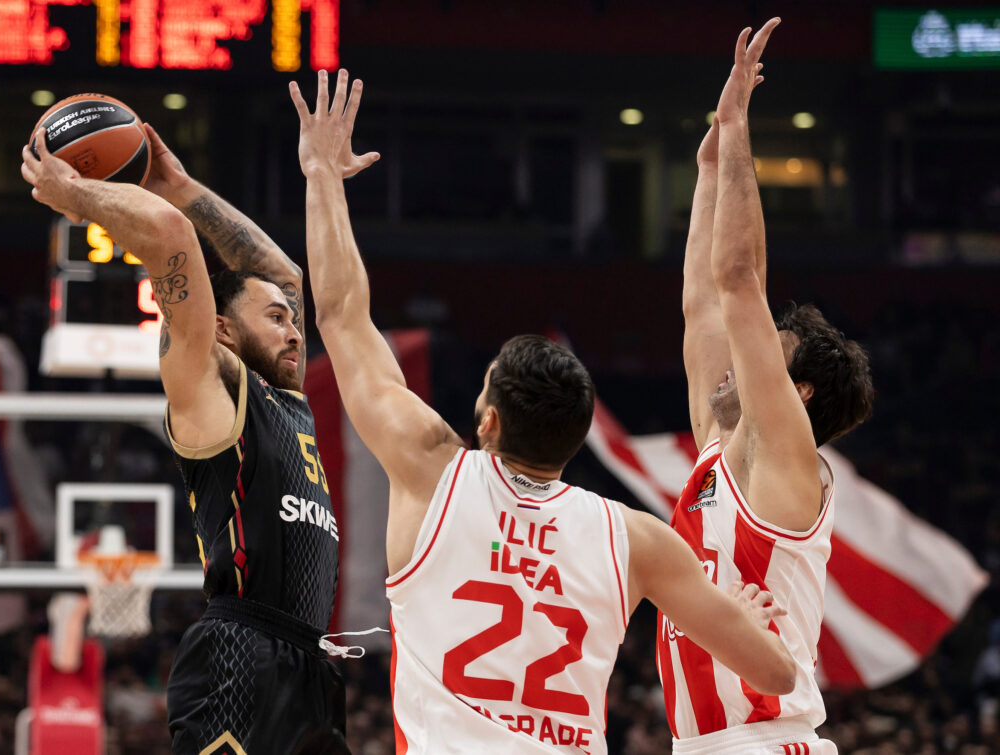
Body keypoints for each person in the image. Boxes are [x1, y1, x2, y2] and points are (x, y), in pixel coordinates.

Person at [289, 68, 796, 754]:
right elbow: (774, 671)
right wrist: (743, 618)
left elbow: (342, 316)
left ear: (489, 419)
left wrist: (322, 173)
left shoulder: (432, 468)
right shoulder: (635, 538)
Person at [21, 122, 371, 753]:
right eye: (275, 319)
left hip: (309, 664)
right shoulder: (211, 385)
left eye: (293, 321)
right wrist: (73, 194)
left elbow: (282, 273)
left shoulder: (286, 399)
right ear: (223, 331)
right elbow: (170, 239)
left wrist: (179, 186)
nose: (295, 331)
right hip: (241, 655)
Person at [666, 18, 874, 755]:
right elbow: (702, 303)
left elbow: (736, 280)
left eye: (765, 353)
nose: (736, 363)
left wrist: (736, 128)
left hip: (769, 740)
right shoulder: (719, 454)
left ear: (800, 393)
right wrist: (707, 170)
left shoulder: (781, 458)